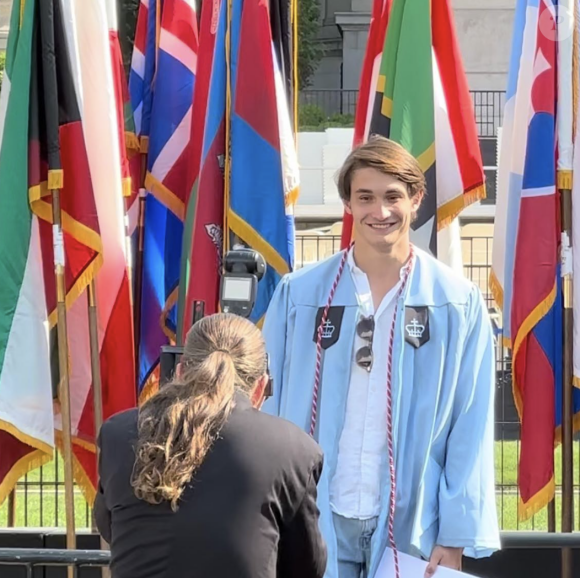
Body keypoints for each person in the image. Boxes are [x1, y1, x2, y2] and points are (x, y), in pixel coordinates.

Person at [261, 135, 500, 578]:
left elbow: (470, 422)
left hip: (414, 523)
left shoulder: (455, 302)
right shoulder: (300, 295)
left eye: (393, 196)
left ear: (416, 200)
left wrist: (454, 534)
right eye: (365, 197)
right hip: (313, 516)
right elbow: (268, 410)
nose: (380, 211)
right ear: (348, 205)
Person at [94, 313, 327, 578]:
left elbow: (110, 526)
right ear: (260, 387)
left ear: (180, 372)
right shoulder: (293, 450)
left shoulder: (119, 433)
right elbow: (306, 566)